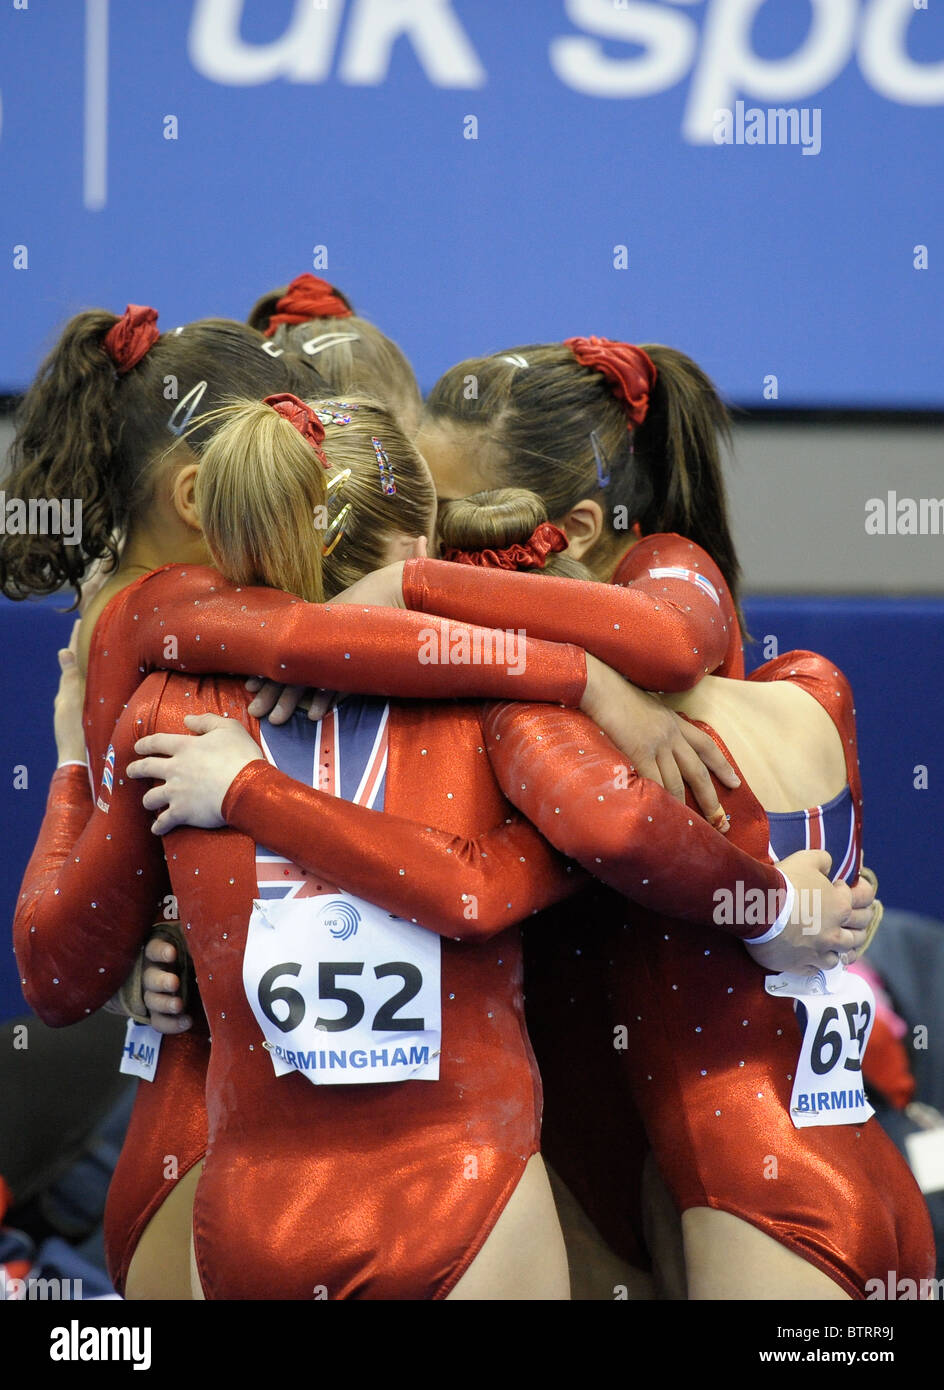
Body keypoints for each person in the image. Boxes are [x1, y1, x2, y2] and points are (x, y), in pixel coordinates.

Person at [15, 394, 848, 1299]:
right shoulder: (496, 698)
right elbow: (573, 849)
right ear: (423, 553)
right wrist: (764, 905)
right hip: (474, 1201)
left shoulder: (164, 704)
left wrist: (75, 767)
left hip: (255, 1212)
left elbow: (56, 976)